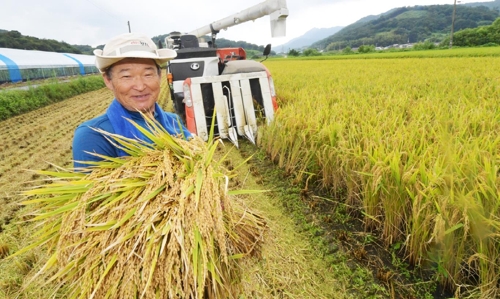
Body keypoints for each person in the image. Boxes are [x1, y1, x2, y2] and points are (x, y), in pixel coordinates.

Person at [72, 32, 192, 169]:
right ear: (108, 80)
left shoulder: (173, 121)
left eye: (148, 74)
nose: (140, 86)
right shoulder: (94, 135)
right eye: (127, 76)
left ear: (159, 76)